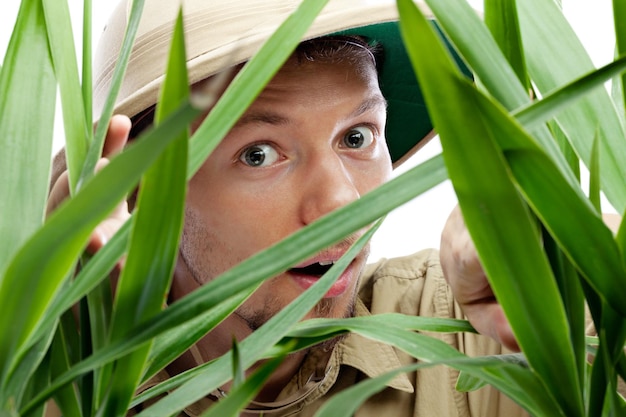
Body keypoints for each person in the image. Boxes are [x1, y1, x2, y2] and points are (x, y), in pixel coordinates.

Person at [48, 0, 529, 415]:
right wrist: (63, 379)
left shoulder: (469, 326)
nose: (343, 202)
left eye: (357, 137)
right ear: (138, 190)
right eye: (258, 154)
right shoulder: (54, 380)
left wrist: (569, 272)